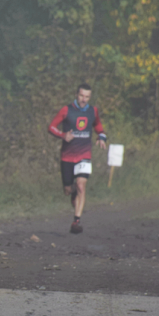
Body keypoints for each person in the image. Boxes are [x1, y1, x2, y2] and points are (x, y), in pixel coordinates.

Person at [47, 83, 107, 234]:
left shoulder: (93, 111)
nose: (84, 99)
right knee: (68, 190)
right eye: (81, 96)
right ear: (76, 94)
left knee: (81, 185)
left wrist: (101, 136)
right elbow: (51, 127)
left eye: (87, 97)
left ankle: (76, 221)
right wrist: (63, 135)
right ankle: (72, 192)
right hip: (67, 156)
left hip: (84, 155)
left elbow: (98, 125)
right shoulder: (66, 110)